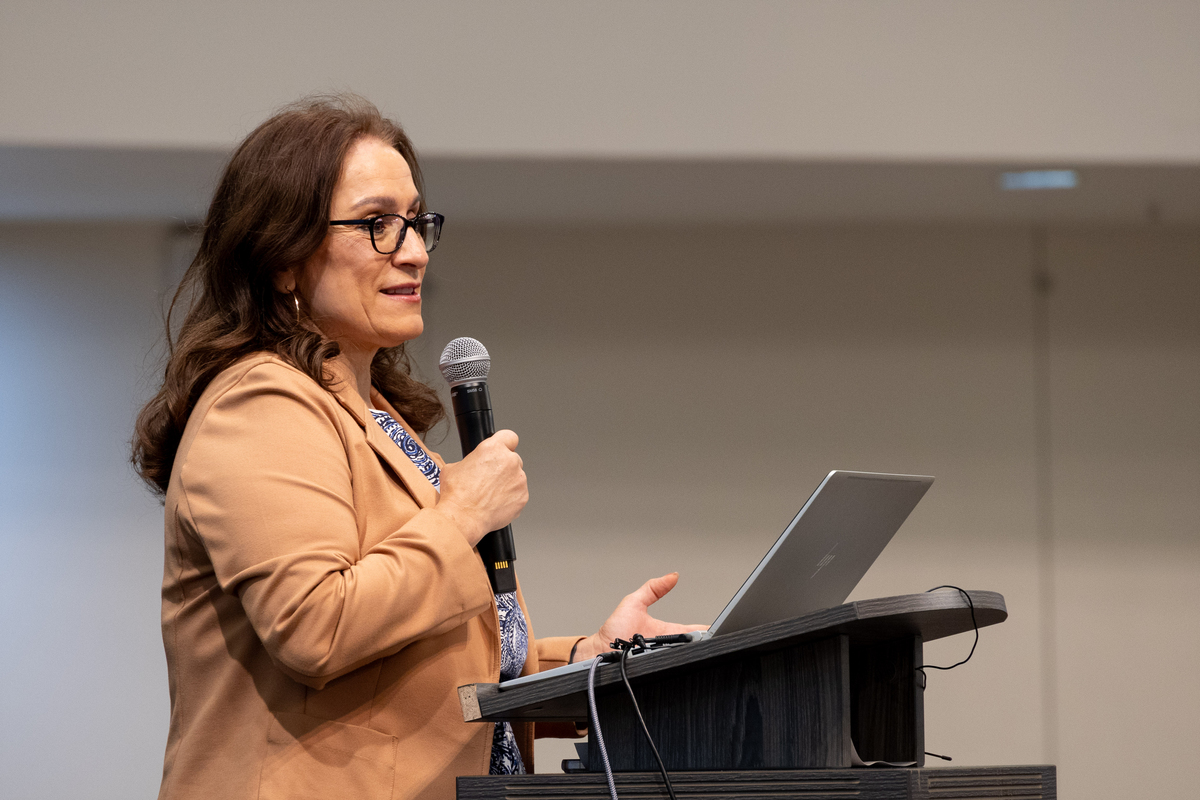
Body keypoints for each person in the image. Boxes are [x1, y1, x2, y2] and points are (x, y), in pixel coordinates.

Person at [132, 95, 699, 800]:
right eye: (377, 225)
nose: (416, 251)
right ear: (282, 258)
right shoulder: (262, 402)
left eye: (417, 222)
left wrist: (592, 662)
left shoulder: (378, 417)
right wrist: (459, 516)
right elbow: (319, 627)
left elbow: (432, 675)